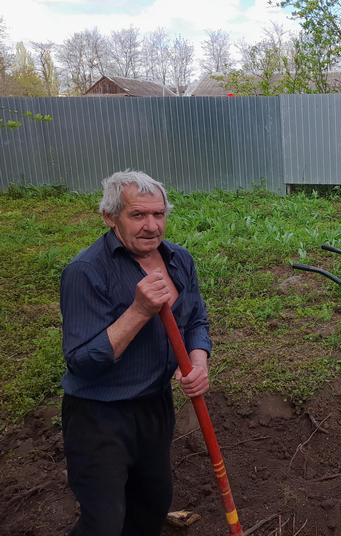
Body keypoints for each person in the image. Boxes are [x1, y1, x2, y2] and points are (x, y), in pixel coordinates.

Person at [60, 170, 212, 535]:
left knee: (151, 506)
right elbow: (81, 360)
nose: (151, 226)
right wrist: (139, 311)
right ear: (110, 217)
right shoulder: (85, 272)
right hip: (99, 417)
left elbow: (196, 320)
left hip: (154, 408)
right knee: (104, 523)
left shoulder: (179, 260)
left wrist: (198, 359)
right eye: (138, 215)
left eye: (158, 214)